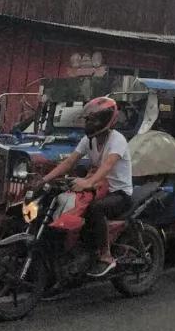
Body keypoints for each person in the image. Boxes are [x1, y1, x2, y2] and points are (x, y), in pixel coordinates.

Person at [35, 96, 132, 279]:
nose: (89, 122)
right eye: (88, 119)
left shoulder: (117, 140)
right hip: (99, 187)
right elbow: (70, 162)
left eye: (93, 119)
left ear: (105, 119)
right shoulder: (89, 140)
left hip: (118, 192)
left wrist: (88, 182)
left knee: (95, 208)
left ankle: (105, 255)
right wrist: (44, 179)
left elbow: (107, 166)